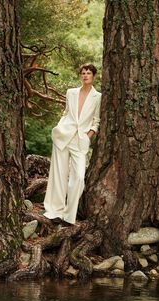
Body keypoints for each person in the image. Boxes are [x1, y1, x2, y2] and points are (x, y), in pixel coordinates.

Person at [43, 63, 101, 225]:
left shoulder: (98, 97)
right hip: (63, 135)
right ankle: (55, 211)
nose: (85, 75)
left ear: (93, 76)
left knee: (79, 177)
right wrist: (60, 127)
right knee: (58, 174)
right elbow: (66, 113)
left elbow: (96, 120)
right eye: (83, 73)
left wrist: (88, 136)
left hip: (80, 140)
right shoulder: (71, 93)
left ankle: (69, 216)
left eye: (88, 73)